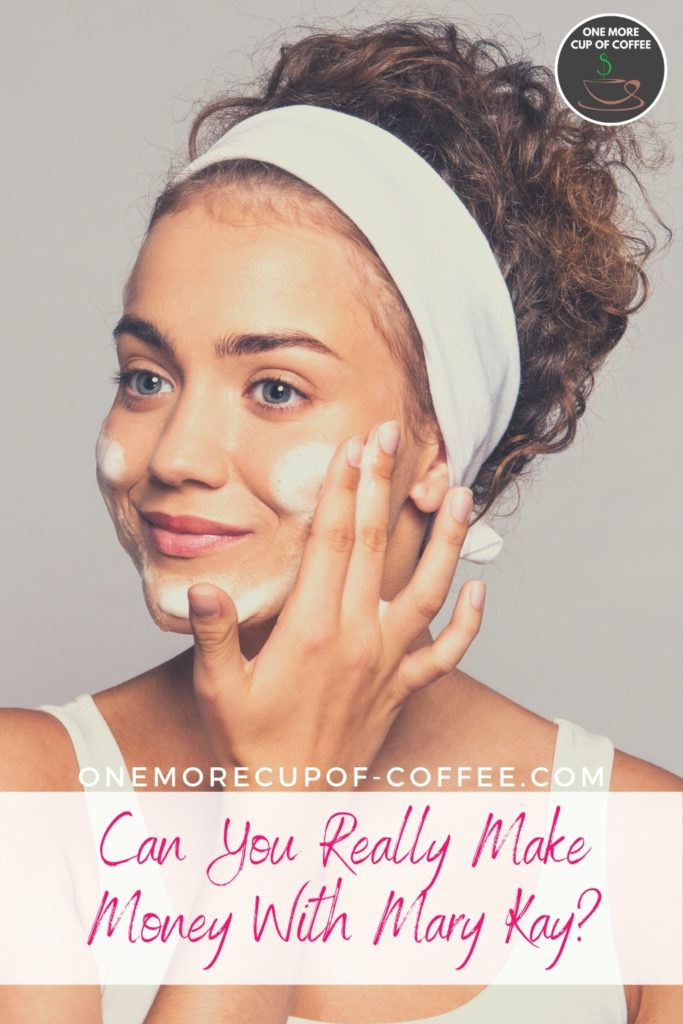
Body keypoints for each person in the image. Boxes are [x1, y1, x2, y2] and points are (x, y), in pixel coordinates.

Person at [1, 16, 680, 1024]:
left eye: (273, 389)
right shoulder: (28, 798)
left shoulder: (646, 854)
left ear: (436, 443)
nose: (176, 455)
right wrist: (281, 807)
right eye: (147, 376)